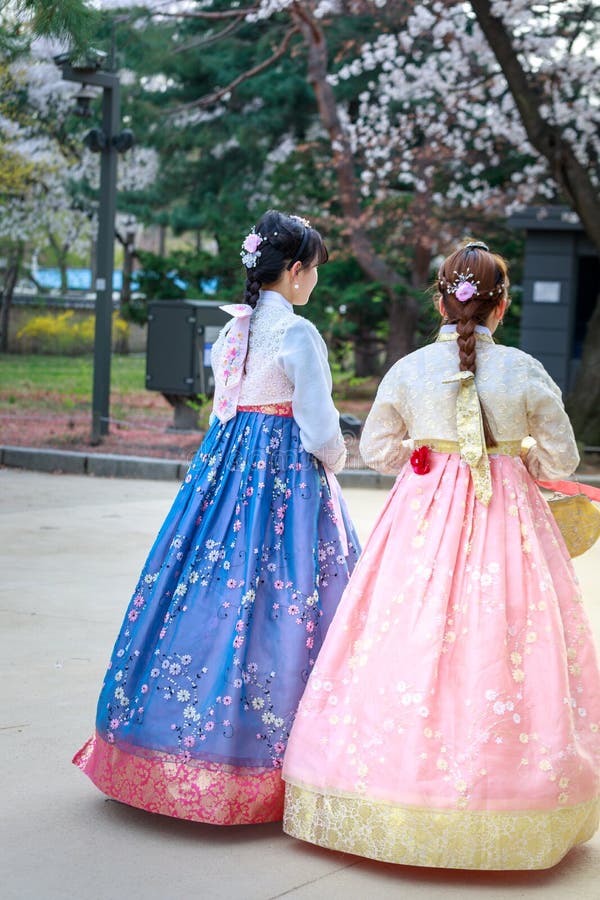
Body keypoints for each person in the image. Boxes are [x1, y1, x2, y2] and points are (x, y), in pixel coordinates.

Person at [282, 240, 600, 869]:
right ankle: (515, 800)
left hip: (421, 520)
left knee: (405, 632)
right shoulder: (524, 369)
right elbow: (564, 460)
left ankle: (384, 788)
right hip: (507, 518)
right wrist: (522, 456)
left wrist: (426, 460)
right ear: (500, 306)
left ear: (441, 300)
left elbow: (378, 449)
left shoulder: (408, 369)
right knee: (508, 639)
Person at [73, 210, 360, 825]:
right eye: (312, 271)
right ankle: (271, 764)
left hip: (224, 469)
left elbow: (224, 406)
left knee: (205, 591)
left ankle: (157, 746)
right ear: (294, 271)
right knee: (287, 598)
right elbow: (318, 427)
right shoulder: (299, 335)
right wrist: (335, 461)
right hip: (285, 479)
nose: (313, 282)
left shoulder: (235, 332)